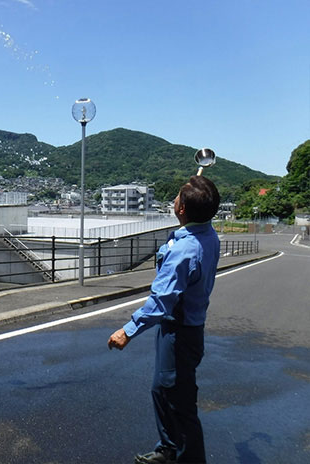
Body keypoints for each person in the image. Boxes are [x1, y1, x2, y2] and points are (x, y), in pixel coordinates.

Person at [108, 175, 221, 464]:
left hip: (179, 333)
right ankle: (168, 449)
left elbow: (161, 301)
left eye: (178, 197)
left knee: (176, 399)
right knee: (165, 390)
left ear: (182, 209)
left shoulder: (184, 250)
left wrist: (127, 331)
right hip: (188, 329)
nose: (173, 199)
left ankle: (186, 458)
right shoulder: (207, 235)